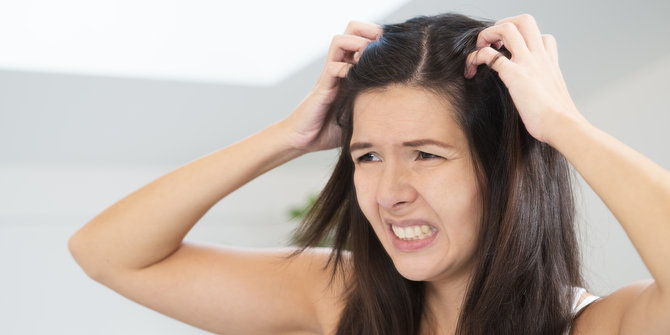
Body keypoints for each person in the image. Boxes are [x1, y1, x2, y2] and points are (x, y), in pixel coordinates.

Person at [68, 12, 670, 335]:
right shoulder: (339, 300)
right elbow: (106, 252)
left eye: (425, 154)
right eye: (368, 155)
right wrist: (288, 137)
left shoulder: (595, 326)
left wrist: (564, 127)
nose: (390, 194)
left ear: (504, 168)